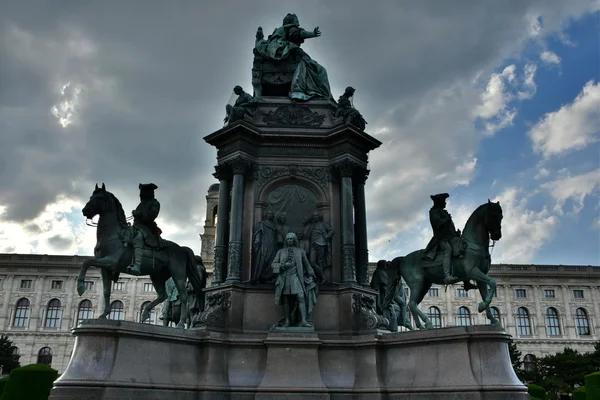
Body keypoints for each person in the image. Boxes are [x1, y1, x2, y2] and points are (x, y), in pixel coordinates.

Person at [254, 13, 332, 100]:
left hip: (276, 54)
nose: (298, 24)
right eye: (297, 21)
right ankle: (318, 93)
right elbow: (298, 34)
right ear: (291, 22)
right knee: (320, 70)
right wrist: (312, 34)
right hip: (292, 56)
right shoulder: (290, 28)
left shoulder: (277, 32)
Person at [271, 232, 316, 327]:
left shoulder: (300, 251)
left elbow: (307, 264)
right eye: (288, 239)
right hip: (284, 277)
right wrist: (282, 266)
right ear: (286, 241)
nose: (289, 240)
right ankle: (287, 321)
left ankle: (303, 320)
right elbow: (273, 264)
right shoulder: (280, 252)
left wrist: (311, 273)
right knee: (286, 299)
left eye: (291, 239)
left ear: (295, 240)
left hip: (296, 277)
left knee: (301, 297)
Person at [422, 193, 459, 284]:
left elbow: (450, 227)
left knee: (462, 249)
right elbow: (437, 224)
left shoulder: (444, 212)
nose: (445, 204)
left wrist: (456, 233)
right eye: (444, 202)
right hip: (441, 238)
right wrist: (446, 220)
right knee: (448, 250)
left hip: (451, 238)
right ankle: (447, 276)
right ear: (439, 202)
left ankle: (466, 280)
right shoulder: (434, 212)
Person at [127, 183, 162, 276]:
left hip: (146, 228)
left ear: (148, 193)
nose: (140, 194)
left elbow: (152, 215)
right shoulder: (142, 204)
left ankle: (137, 265)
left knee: (138, 238)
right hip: (136, 226)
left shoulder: (155, 203)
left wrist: (139, 214)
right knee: (123, 235)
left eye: (142, 192)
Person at [251, 210, 278, 284]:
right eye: (269, 213)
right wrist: (257, 242)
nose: (270, 215)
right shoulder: (262, 223)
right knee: (263, 259)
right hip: (265, 243)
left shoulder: (274, 225)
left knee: (272, 259)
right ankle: (259, 276)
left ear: (273, 216)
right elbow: (259, 233)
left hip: (272, 243)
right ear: (266, 215)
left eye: (271, 214)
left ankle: (268, 277)